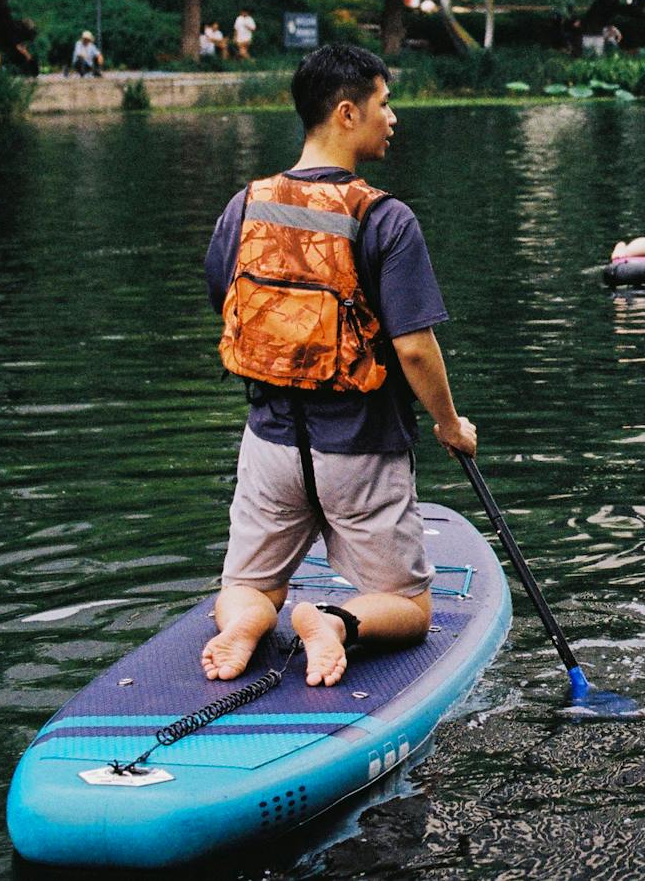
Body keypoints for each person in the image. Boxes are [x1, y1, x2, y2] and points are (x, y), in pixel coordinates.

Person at [202, 44, 474, 690]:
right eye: (385, 103)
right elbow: (413, 347)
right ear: (347, 112)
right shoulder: (385, 217)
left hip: (268, 441)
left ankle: (243, 621)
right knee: (410, 608)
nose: (393, 117)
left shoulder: (246, 206)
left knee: (249, 583)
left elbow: (229, 302)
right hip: (360, 448)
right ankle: (334, 620)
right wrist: (449, 423)